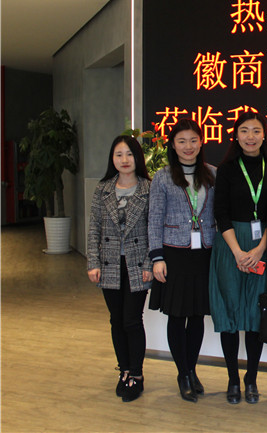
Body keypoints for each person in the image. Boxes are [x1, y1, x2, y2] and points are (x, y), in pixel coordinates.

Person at [148, 118, 217, 403]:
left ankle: (192, 369)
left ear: (201, 142)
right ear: (173, 145)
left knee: (197, 316)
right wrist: (157, 257)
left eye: (193, 140)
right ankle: (182, 374)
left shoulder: (212, 174)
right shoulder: (163, 177)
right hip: (174, 254)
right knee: (177, 316)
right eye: (181, 141)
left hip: (203, 254)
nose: (188, 146)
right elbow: (154, 218)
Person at [209, 112, 267, 405]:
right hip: (230, 247)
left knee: (255, 316)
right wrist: (237, 251)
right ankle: (233, 379)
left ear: (264, 135)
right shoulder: (226, 170)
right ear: (236, 136)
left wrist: (259, 250)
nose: (250, 136)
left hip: (262, 246)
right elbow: (220, 213)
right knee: (230, 314)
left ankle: (251, 379)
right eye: (244, 130)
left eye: (256, 131)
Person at [87, 135, 152, 402]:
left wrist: (149, 263)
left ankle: (136, 374)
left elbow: (153, 230)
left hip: (138, 264)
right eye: (119, 154)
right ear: (112, 159)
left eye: (129, 154)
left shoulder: (149, 188)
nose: (124, 160)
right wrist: (93, 262)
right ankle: (123, 370)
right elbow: (94, 227)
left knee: (132, 320)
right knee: (116, 320)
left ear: (138, 157)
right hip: (110, 263)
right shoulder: (103, 189)